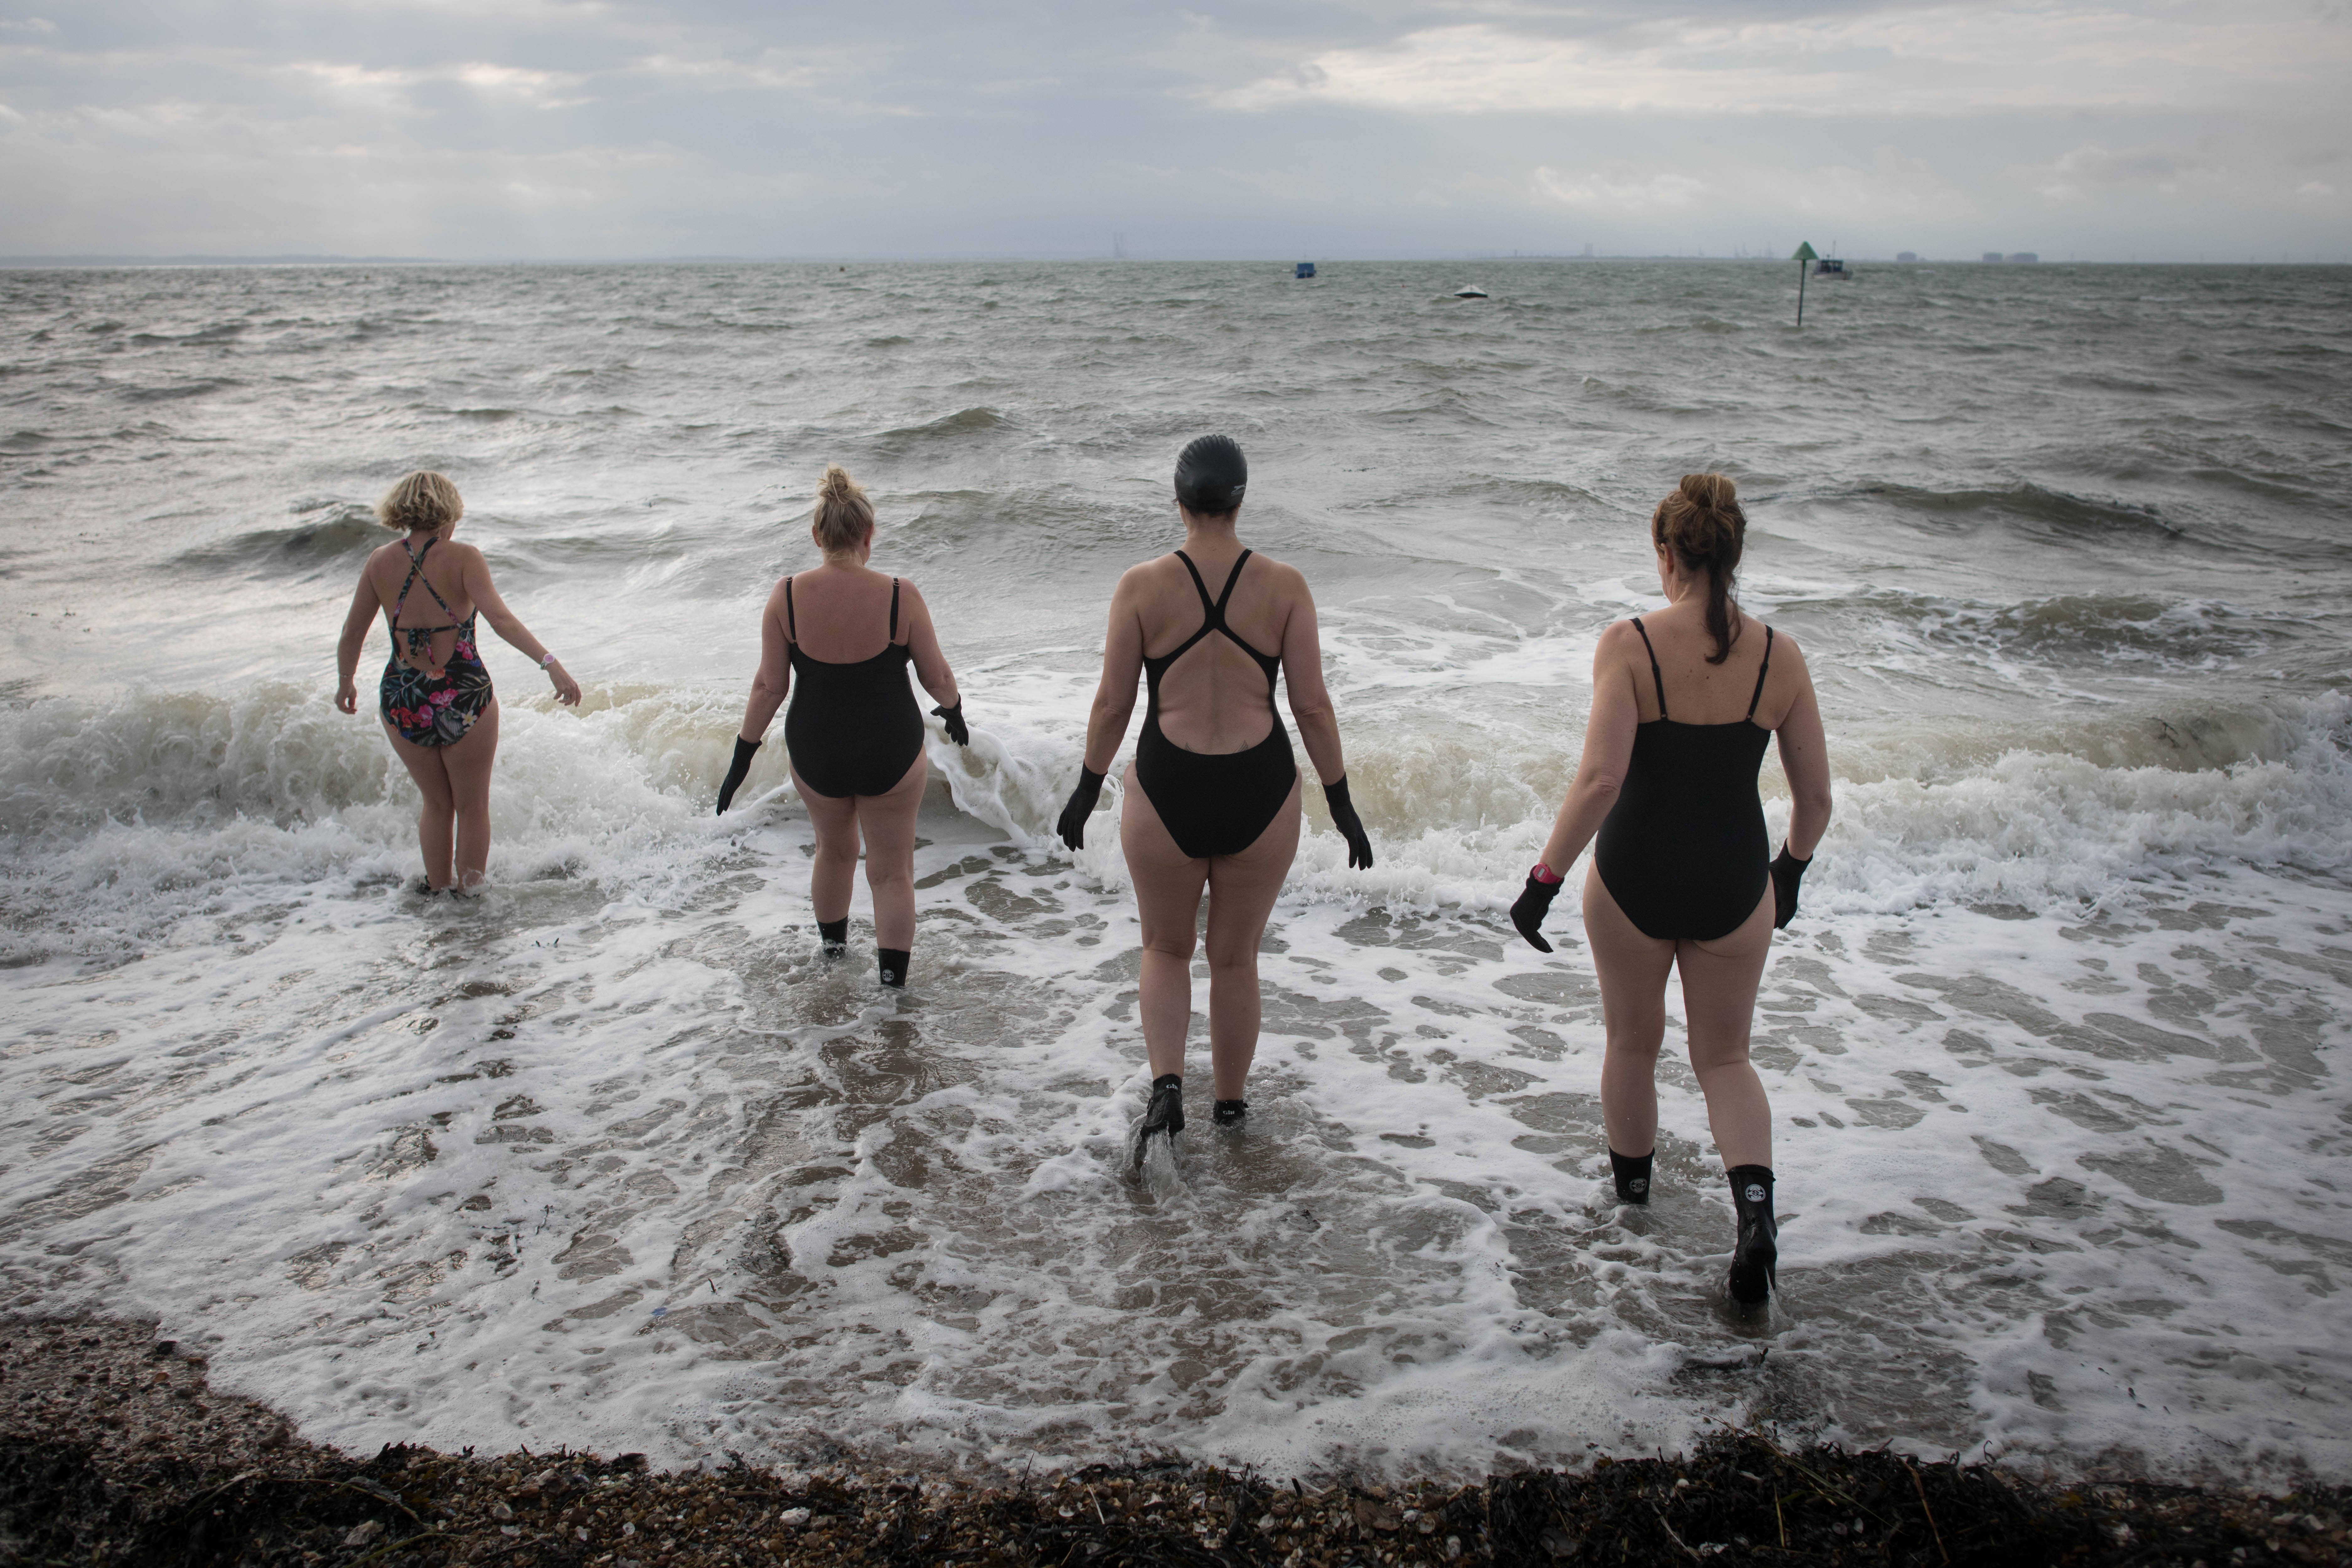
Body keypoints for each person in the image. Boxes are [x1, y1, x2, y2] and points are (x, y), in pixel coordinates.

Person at [1507, 473, 1831, 1310]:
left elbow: (1601, 780)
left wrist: (1542, 880)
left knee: (1632, 1042)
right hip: (1733, 882)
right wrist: (1785, 875)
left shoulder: (1630, 645)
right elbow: (1817, 800)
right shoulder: (1780, 656)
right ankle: (1754, 1218)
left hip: (1632, 882)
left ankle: (1633, 1212)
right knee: (1725, 1057)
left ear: (1668, 554)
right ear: (1732, 553)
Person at [1057, 435, 1374, 1169]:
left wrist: (1084, 789)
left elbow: (1112, 705)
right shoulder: (1285, 586)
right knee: (1234, 959)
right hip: (1260, 790)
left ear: (1178, 501)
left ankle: (1167, 1090)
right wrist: (1341, 800)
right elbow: (1314, 707)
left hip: (1167, 786)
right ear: (1240, 501)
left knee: (1165, 947)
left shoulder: (1140, 587)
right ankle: (1230, 1107)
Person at [716, 464, 966, 988]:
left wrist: (742, 757)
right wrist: (955, 710)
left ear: (817, 537)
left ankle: (832, 960)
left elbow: (769, 688)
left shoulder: (785, 596)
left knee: (835, 850)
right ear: (868, 536)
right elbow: (936, 676)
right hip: (890, 750)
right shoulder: (902, 594)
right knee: (891, 870)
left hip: (817, 750)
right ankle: (892, 991)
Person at [335, 471, 582, 894]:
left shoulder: (379, 562)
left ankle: (438, 894)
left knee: (436, 804)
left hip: (402, 695)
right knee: (471, 806)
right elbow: (501, 620)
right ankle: (470, 899)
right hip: (464, 693)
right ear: (449, 512)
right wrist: (550, 663)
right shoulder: (464, 558)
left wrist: (346, 682)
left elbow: (352, 633)